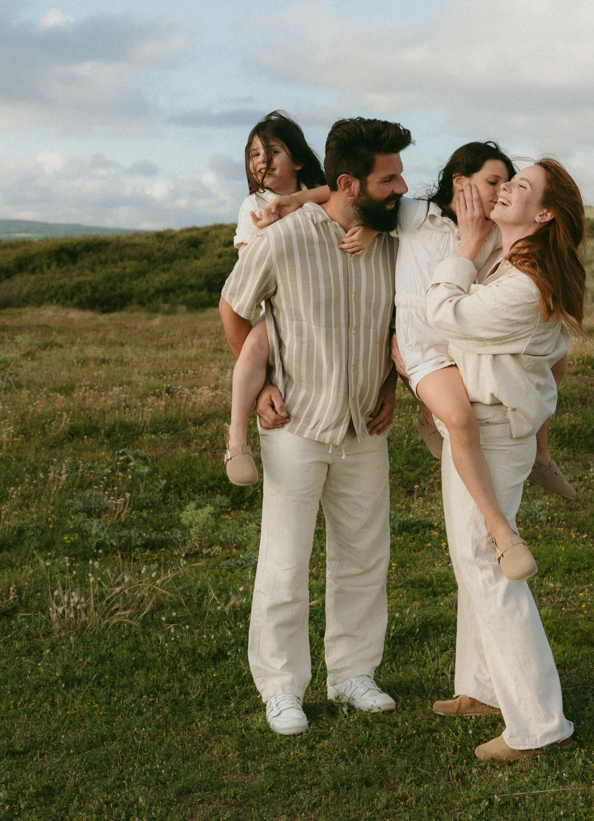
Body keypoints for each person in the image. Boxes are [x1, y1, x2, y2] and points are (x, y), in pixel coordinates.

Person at [260, 142, 575, 583]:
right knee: (462, 421)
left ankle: (540, 453)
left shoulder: (490, 236)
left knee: (555, 358)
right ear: (460, 183)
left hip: (460, 348)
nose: (500, 192)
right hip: (424, 350)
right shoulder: (417, 215)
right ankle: (501, 530)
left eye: (507, 184)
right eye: (492, 182)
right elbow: (363, 202)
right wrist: (320, 208)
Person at [217, 117, 409, 737]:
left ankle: (353, 674)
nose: (401, 186)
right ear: (348, 182)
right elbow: (234, 305)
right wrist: (263, 383)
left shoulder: (391, 238)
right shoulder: (285, 237)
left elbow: (392, 327)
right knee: (285, 561)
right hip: (297, 422)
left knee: (364, 557)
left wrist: (388, 387)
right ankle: (281, 688)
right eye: (389, 177)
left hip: (365, 426)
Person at [424, 157, 586, 762]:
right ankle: (485, 689)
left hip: (492, 429)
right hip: (488, 425)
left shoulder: (522, 284)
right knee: (472, 561)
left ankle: (540, 726)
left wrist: (462, 249)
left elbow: (445, 315)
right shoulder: (513, 262)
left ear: (543, 212)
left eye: (521, 186)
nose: (507, 188)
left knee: (488, 566)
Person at [222, 111, 370, 486]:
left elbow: (340, 198)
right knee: (255, 346)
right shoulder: (254, 202)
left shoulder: (314, 189)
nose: (261, 161)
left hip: (320, 296)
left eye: (272, 151)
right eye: (254, 154)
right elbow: (247, 263)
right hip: (274, 299)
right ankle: (237, 438)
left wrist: (366, 228)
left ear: (299, 159)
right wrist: (271, 232)